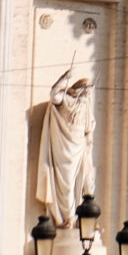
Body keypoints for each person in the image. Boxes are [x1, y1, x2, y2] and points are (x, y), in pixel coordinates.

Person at [36, 71, 96, 223]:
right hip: (64, 148)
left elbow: (88, 129)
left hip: (80, 150)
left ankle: (83, 218)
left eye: (90, 93)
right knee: (67, 184)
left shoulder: (86, 108)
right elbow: (54, 95)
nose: (88, 96)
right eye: (87, 91)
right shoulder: (67, 100)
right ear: (80, 89)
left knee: (85, 181)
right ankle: (67, 218)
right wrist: (64, 79)